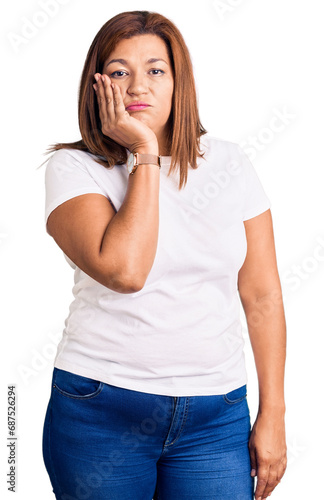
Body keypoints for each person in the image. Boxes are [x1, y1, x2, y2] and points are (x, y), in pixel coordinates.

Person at [41, 10, 287, 500]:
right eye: (118, 71)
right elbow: (126, 270)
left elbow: (261, 295)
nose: (137, 86)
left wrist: (273, 413)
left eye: (155, 70)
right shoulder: (74, 169)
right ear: (96, 85)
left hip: (216, 418)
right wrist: (144, 153)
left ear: (179, 83)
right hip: (101, 410)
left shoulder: (230, 163)